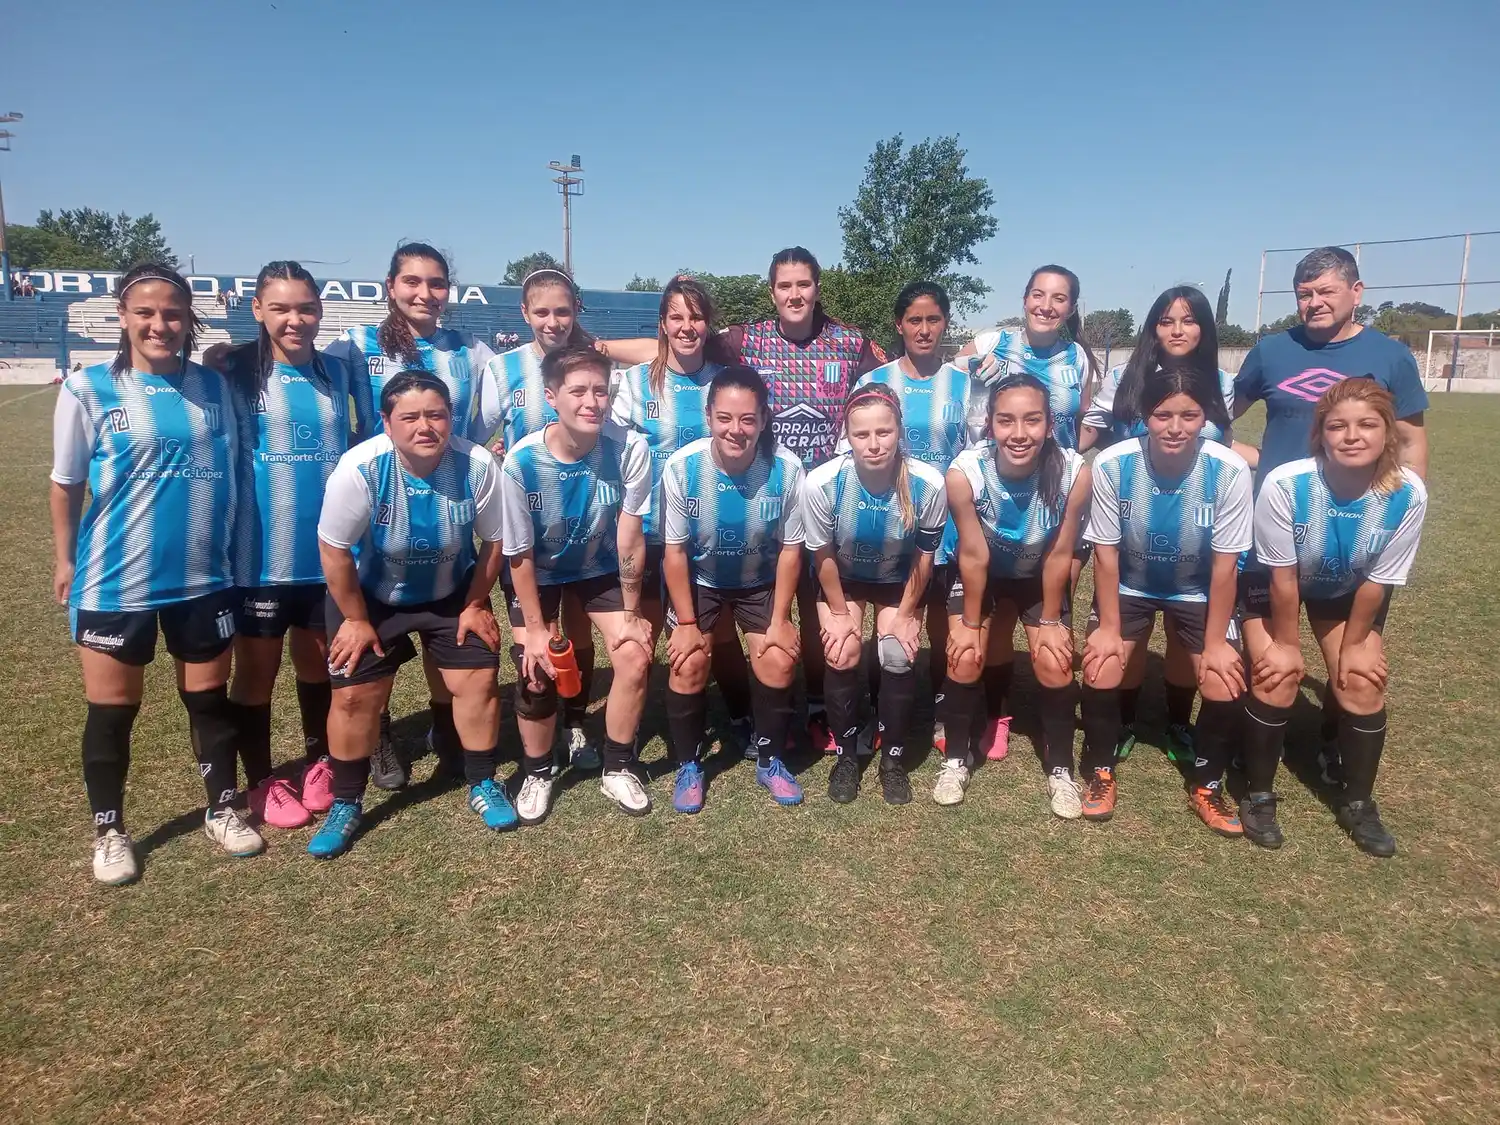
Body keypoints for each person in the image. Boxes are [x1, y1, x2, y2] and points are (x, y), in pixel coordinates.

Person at [602, 250, 886, 754]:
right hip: (720, 504)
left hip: (809, 501)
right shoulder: (744, 340)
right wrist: (597, 345)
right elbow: (674, 341)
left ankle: (817, 707)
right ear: (771, 290)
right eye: (784, 285)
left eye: (803, 284)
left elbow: (896, 374)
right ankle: (731, 710)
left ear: (817, 288)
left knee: (810, 610)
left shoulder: (850, 342)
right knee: (706, 614)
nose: (794, 294)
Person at [50, 262, 255, 885]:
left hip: (204, 576)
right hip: (117, 579)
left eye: (172, 313)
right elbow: (67, 481)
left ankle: (223, 807)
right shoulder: (88, 389)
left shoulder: (214, 386)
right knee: (113, 710)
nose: (159, 324)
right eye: (145, 313)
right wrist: (65, 559)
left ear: (189, 319)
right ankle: (110, 829)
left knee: (208, 702)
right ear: (122, 317)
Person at [1234, 246, 1430, 785]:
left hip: (1355, 532)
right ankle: (1253, 751)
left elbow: (1411, 438)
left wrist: (1401, 502)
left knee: (1354, 660)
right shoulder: (1272, 351)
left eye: (1326, 291)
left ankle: (1331, 744)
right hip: (1280, 525)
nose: (1314, 302)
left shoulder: (1389, 356)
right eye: (1304, 294)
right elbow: (1222, 416)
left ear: (1356, 292)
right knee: (1270, 656)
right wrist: (1258, 461)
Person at [320, 242, 499, 788]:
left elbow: (484, 422)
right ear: (390, 286)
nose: (425, 293)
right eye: (412, 281)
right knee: (371, 650)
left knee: (443, 637)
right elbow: (297, 365)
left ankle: (446, 732)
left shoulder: (471, 351)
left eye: (436, 282)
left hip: (447, 512)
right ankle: (377, 739)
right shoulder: (354, 345)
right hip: (377, 519)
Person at [308, 371, 507, 859]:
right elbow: (333, 549)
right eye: (410, 417)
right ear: (386, 422)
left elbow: (494, 541)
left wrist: (475, 604)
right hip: (372, 598)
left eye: (436, 415)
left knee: (478, 681)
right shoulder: (360, 468)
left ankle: (482, 781)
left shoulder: (477, 464)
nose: (425, 426)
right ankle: (347, 801)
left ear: (450, 418)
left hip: (450, 594)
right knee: (354, 696)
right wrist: (356, 620)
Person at [1239, 379, 1427, 855]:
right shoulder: (1287, 483)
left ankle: (1358, 802)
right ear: (1320, 434)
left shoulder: (1409, 493)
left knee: (1360, 681)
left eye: (1367, 425)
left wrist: (1355, 646)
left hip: (1345, 589)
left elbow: (1377, 582)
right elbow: (1282, 579)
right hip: (1272, 581)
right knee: (1277, 675)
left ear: (1388, 432)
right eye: (1337, 426)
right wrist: (1286, 645)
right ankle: (1257, 793)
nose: (1352, 436)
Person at [223, 261, 370, 832]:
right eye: (280, 308)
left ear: (319, 311)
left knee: (320, 666)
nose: (295, 320)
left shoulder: (337, 371)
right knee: (255, 674)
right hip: (258, 557)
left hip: (326, 557)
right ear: (257, 310)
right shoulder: (235, 371)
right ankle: (261, 781)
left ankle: (319, 764)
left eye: (306, 308)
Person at [1080, 365, 1253, 837]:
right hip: (1130, 584)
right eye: (1162, 415)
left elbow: (1226, 565)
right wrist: (1108, 629)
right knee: (1100, 664)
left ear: (1205, 418)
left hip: (1198, 588)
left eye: (1189, 416)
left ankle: (1207, 785)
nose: (1175, 427)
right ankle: (1100, 771)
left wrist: (1216, 643)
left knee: (1223, 679)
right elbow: (1106, 554)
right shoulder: (1113, 464)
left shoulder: (1229, 469)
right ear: (1144, 416)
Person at [1080, 285, 1237, 764]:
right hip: (1132, 520)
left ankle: (1177, 723)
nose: (1177, 330)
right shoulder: (1124, 378)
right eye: (1167, 321)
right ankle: (1125, 720)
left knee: (1186, 639)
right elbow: (1091, 429)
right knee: (1127, 635)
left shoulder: (1222, 382)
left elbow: (1224, 443)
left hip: (1195, 523)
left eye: (1189, 320)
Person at [497, 346, 655, 822]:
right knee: (535, 668)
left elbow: (630, 536)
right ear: (551, 397)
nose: (592, 402)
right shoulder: (521, 462)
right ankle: (538, 772)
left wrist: (632, 613)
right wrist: (535, 631)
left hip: (596, 565)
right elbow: (519, 554)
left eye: (600, 391)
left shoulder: (630, 447)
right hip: (538, 571)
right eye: (578, 391)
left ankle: (618, 765)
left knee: (634, 654)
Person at [935, 375, 1091, 812]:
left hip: (1037, 573)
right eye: (1006, 420)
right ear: (990, 424)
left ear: (1050, 424)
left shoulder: (1075, 472)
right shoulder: (966, 472)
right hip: (982, 572)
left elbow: (1060, 553)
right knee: (965, 656)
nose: (1019, 433)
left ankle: (1061, 770)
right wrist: (969, 624)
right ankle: (954, 761)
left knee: (1055, 662)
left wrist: (1052, 620)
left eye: (1032, 420)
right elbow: (973, 555)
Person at [847, 281, 988, 758]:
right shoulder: (874, 382)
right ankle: (876, 710)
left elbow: (977, 454)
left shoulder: (965, 384)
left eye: (933, 319)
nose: (924, 329)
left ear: (945, 322)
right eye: (914, 320)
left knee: (943, 624)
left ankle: (942, 710)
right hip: (891, 525)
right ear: (899, 325)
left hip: (949, 525)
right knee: (886, 622)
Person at [658, 366, 808, 813]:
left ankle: (770, 759)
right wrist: (686, 623)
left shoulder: (786, 468)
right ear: (708, 417)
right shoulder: (682, 467)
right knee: (687, 661)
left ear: (763, 419)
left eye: (747, 419)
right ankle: (689, 764)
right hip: (700, 579)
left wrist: (781, 620)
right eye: (724, 418)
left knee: (779, 659)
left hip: (758, 580)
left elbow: (791, 550)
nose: (735, 429)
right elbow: (675, 552)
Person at [480, 267, 603, 771]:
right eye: (543, 312)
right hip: (528, 527)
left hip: (585, 521)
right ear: (525, 313)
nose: (554, 322)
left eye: (563, 311)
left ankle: (574, 723)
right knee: (533, 635)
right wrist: (497, 469)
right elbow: (476, 435)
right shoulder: (502, 369)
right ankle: (538, 737)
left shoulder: (592, 361)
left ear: (576, 311)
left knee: (578, 630)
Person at [805, 384, 948, 804]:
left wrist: (906, 615)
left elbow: (924, 558)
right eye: (861, 434)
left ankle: (893, 761)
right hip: (842, 578)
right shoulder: (822, 482)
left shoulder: (928, 483)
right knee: (842, 651)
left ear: (900, 430)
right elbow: (822, 556)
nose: (873, 444)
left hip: (897, 579)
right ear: (846, 436)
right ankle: (847, 757)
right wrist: (838, 614)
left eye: (884, 432)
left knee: (897, 655)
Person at [609, 277, 736, 651]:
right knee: (646, 631)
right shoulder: (634, 382)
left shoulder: (724, 382)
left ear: (708, 323)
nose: (686, 327)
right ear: (663, 323)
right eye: (677, 317)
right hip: (650, 528)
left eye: (696, 317)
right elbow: (610, 450)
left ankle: (729, 693)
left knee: (714, 635)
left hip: (707, 530)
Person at [957, 265, 1101, 453]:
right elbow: (939, 378)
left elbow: (1082, 419)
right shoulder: (989, 344)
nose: (1046, 307)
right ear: (1025, 300)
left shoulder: (1078, 356)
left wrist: (1068, 457)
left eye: (1059, 299)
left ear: (1071, 309)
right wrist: (970, 365)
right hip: (992, 469)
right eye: (1038, 295)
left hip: (1056, 471)